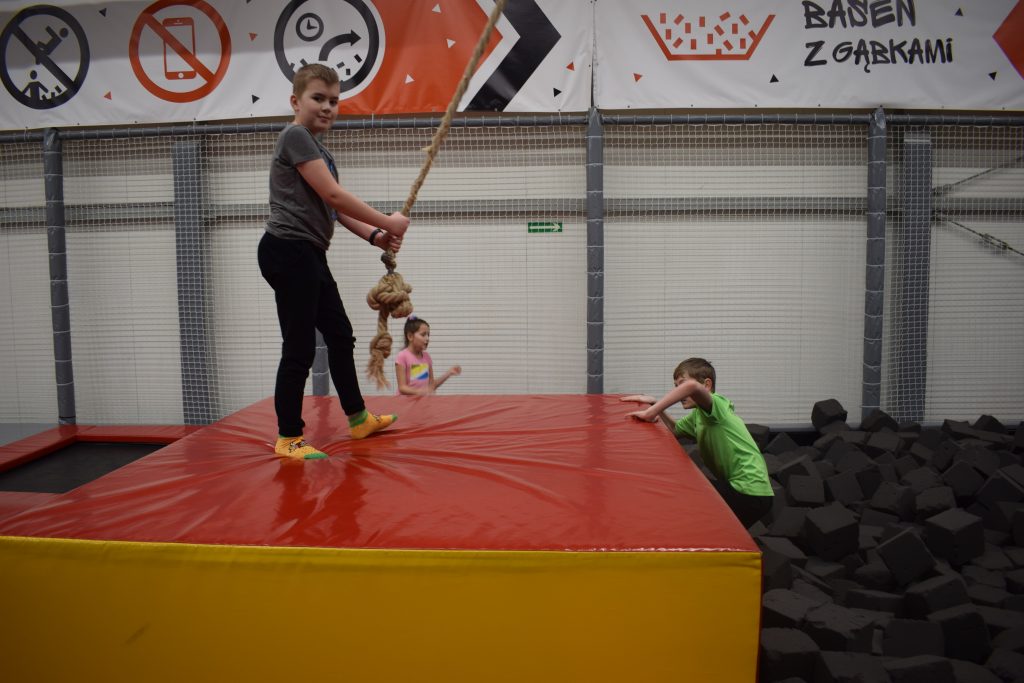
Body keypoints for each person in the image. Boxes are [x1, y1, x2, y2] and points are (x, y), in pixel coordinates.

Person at [258, 63, 410, 460]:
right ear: (296, 101)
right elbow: (335, 196)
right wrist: (388, 221)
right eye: (318, 98)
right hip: (287, 249)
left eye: (334, 101)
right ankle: (288, 436)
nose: (328, 107)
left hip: (308, 253)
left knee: (340, 335)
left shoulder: (319, 149)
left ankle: (358, 418)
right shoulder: (295, 136)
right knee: (299, 346)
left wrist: (377, 236)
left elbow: (335, 211)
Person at [622, 357, 773, 528]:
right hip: (741, 490)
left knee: (691, 499)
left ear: (707, 385)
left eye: (681, 385)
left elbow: (692, 386)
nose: (679, 393)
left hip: (749, 491)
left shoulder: (718, 406)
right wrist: (654, 403)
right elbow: (674, 430)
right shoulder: (698, 415)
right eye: (676, 387)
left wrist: (651, 412)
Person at [395, 316, 461, 396]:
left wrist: (449, 373)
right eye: (423, 335)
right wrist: (419, 392)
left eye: (428, 335)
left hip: (421, 402)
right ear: (410, 336)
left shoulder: (426, 357)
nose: (427, 338)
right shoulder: (402, 356)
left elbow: (431, 385)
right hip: (405, 403)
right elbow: (402, 388)